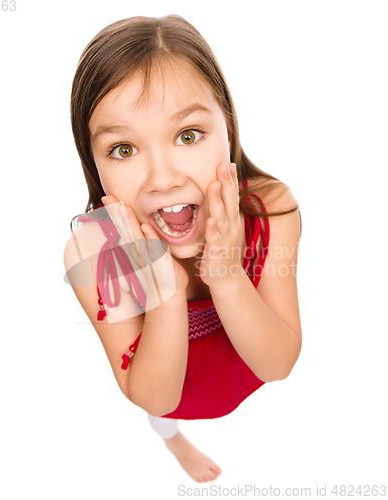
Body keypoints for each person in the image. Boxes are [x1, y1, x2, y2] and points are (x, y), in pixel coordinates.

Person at [64, 15, 302, 484]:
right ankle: (174, 442)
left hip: (245, 369)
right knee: (161, 421)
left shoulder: (270, 207)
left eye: (187, 135)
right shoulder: (92, 254)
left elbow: (278, 365)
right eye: (124, 149)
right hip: (168, 391)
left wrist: (228, 274)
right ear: (92, 162)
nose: (163, 178)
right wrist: (166, 295)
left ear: (227, 129)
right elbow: (154, 395)